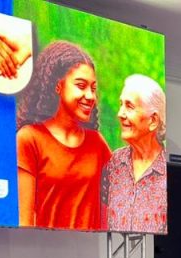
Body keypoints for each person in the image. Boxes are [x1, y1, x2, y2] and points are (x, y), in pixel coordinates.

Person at [16, 40, 111, 229]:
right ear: (58, 86)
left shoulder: (96, 142)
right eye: (81, 85)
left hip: (91, 250)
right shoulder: (29, 139)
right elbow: (24, 222)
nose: (90, 96)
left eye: (93, 88)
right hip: (44, 250)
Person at [102, 74, 167, 234]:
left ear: (153, 121)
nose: (120, 114)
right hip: (113, 250)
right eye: (121, 104)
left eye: (129, 106)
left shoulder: (166, 170)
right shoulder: (113, 163)